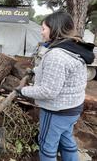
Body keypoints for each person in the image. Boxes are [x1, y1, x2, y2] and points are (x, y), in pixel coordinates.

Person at [16, 11, 95, 161]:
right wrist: (35, 70)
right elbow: (57, 73)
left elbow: (48, 91)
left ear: (55, 29)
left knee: (47, 147)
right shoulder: (72, 49)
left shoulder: (57, 55)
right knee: (67, 141)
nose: (41, 32)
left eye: (43, 28)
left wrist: (23, 91)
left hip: (56, 111)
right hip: (73, 108)